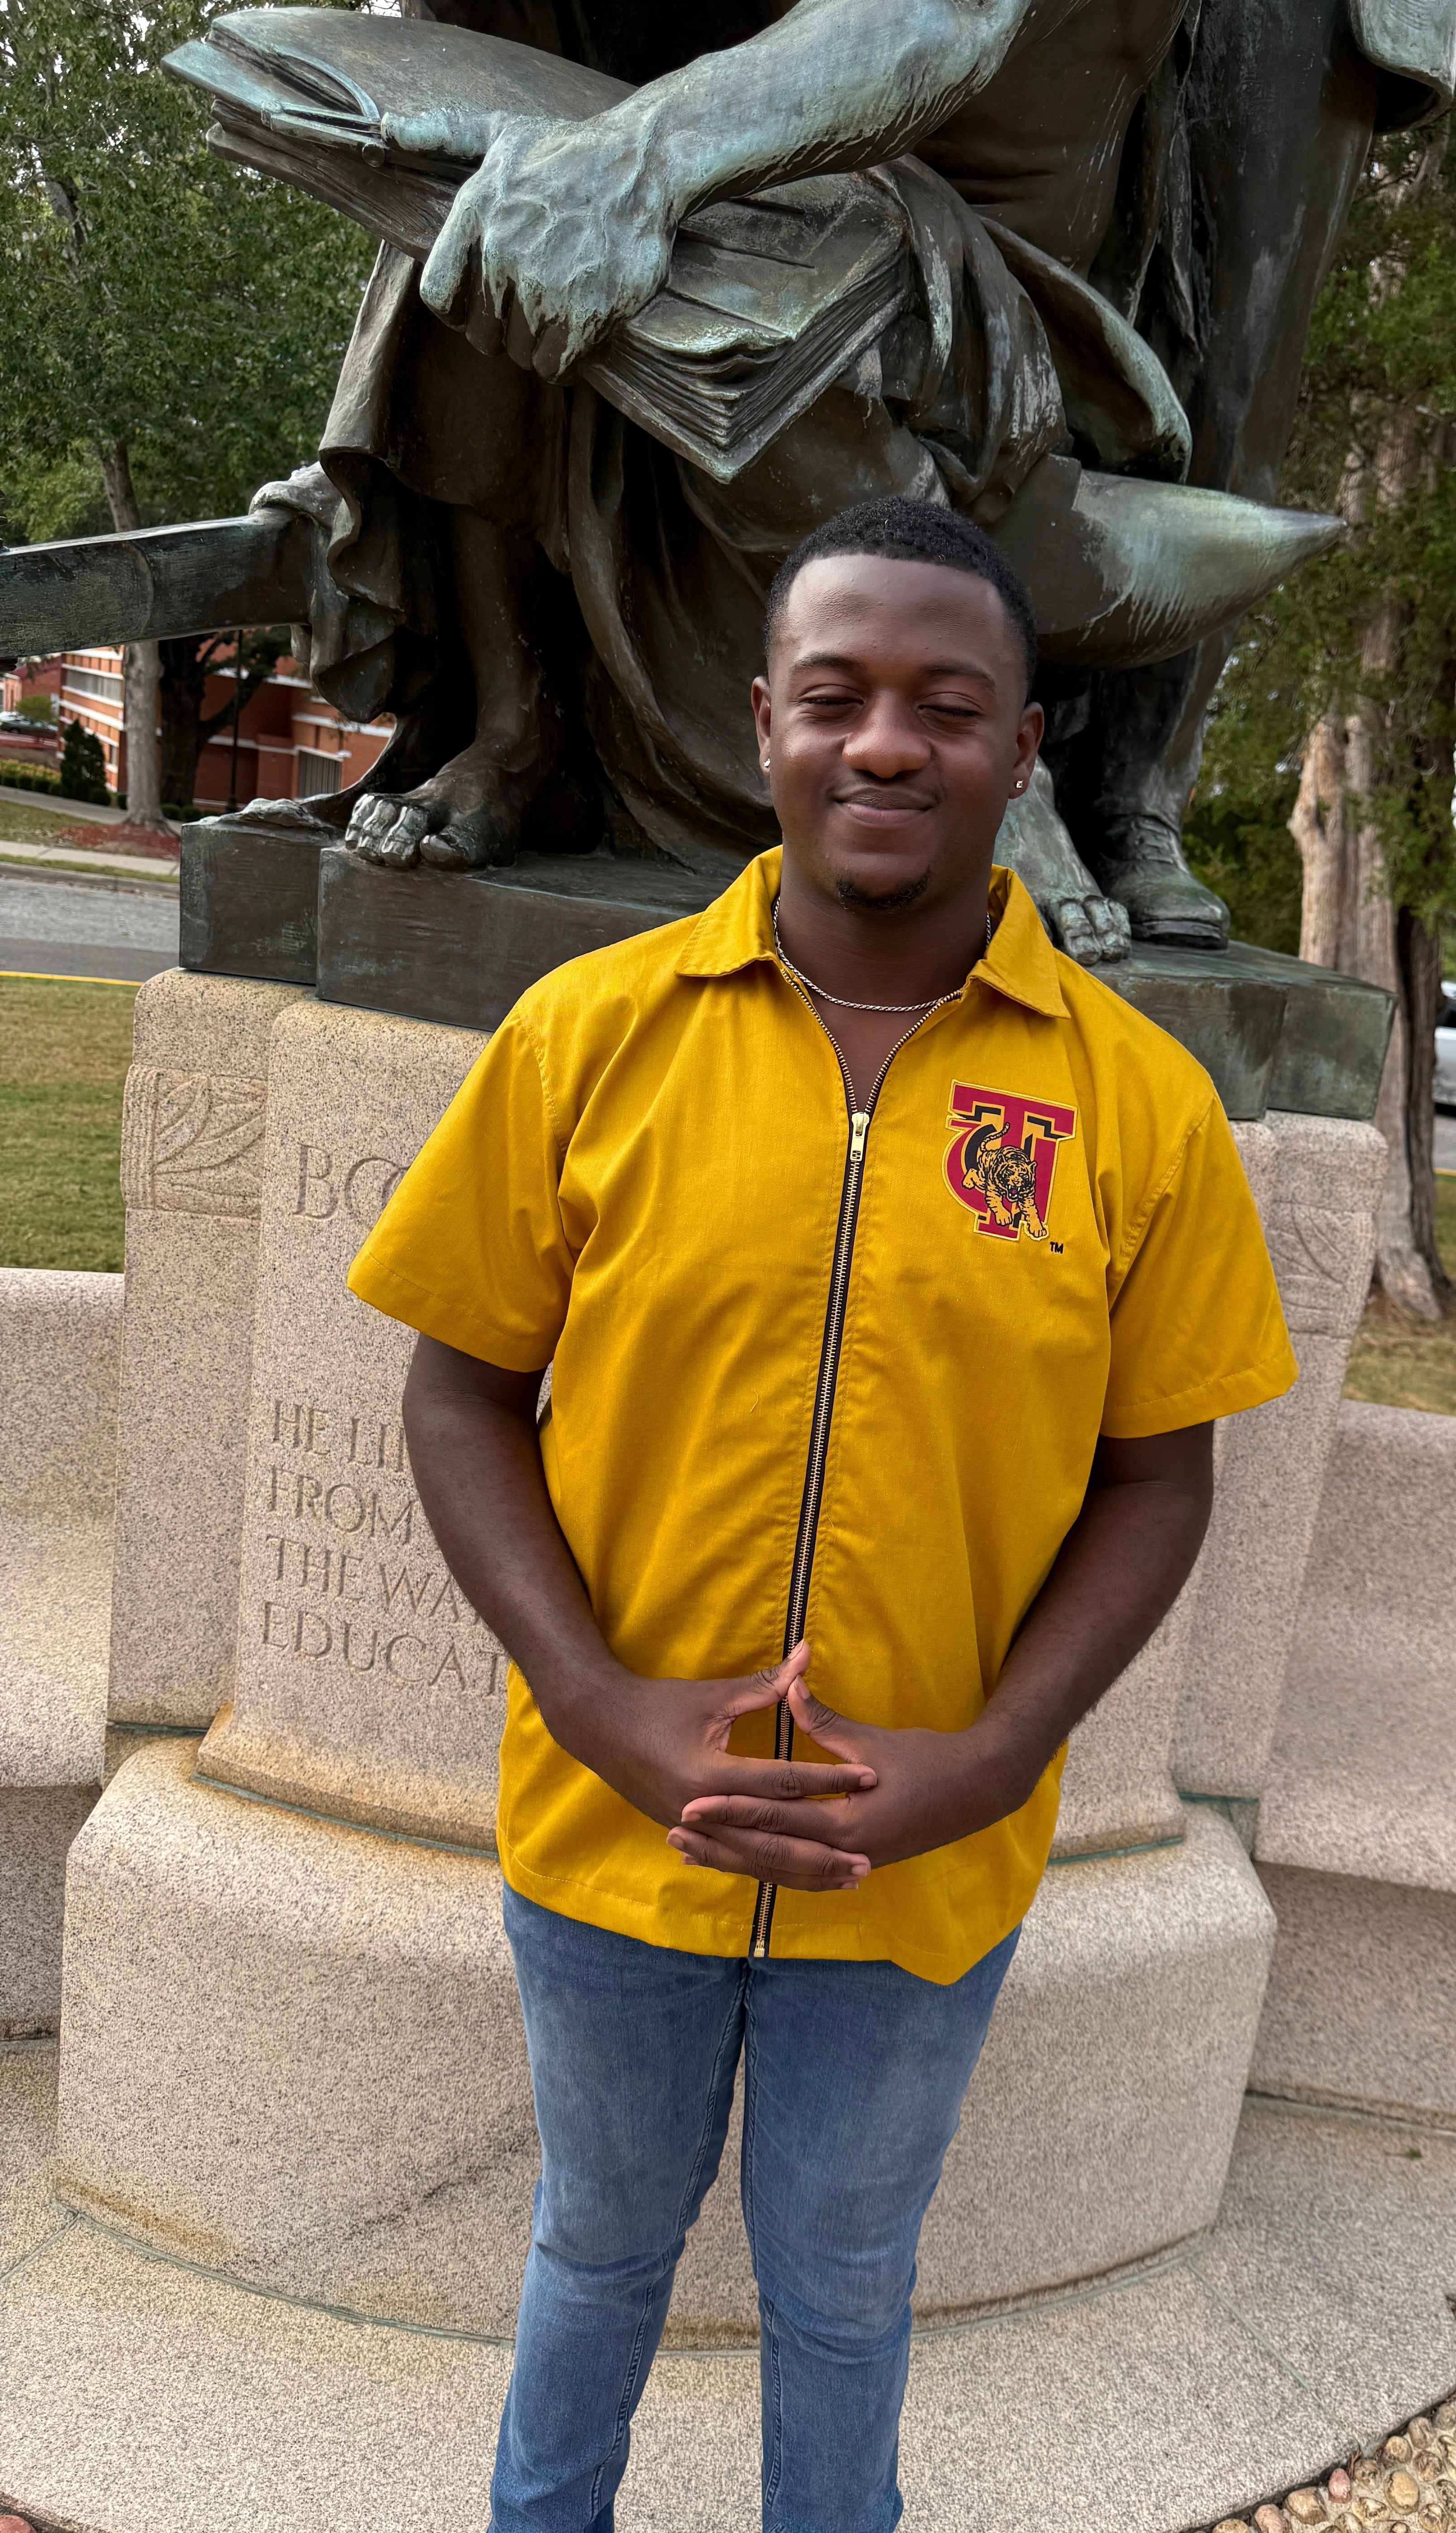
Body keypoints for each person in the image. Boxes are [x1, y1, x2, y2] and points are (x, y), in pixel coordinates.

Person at [345, 496, 1297, 2533]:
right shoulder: (591, 1035)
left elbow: (1159, 1473)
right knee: (596, 2250)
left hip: (922, 1855)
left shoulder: (1138, 1104)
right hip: (617, 1828)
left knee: (847, 2289)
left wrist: (998, 1754)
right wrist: (593, 1698)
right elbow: (460, 1390)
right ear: (762, 720)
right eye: (838, 695)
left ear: (1021, 750)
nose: (886, 744)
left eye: (947, 706)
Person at [244, 0, 1456, 958]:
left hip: (982, 283)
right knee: (482, 210)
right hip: (779, 180)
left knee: (1221, 314)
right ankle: (518, 729)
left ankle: (1036, 778)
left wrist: (638, 161)